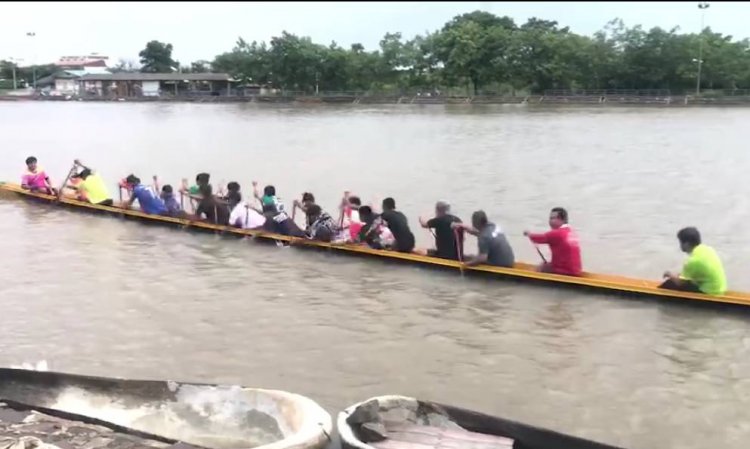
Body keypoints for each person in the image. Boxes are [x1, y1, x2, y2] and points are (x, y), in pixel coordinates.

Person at [660, 227, 727, 296]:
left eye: (680, 242)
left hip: (710, 293)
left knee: (670, 283)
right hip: (720, 289)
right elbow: (693, 274)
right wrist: (678, 276)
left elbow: (680, 282)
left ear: (686, 244)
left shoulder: (693, 261)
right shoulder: (708, 249)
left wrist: (669, 274)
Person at [524, 207, 582, 276]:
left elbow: (539, 238)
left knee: (541, 267)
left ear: (561, 220)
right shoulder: (572, 232)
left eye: (552, 218)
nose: (549, 221)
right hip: (577, 270)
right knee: (547, 265)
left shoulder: (557, 233)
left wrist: (529, 234)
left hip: (566, 271)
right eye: (550, 218)